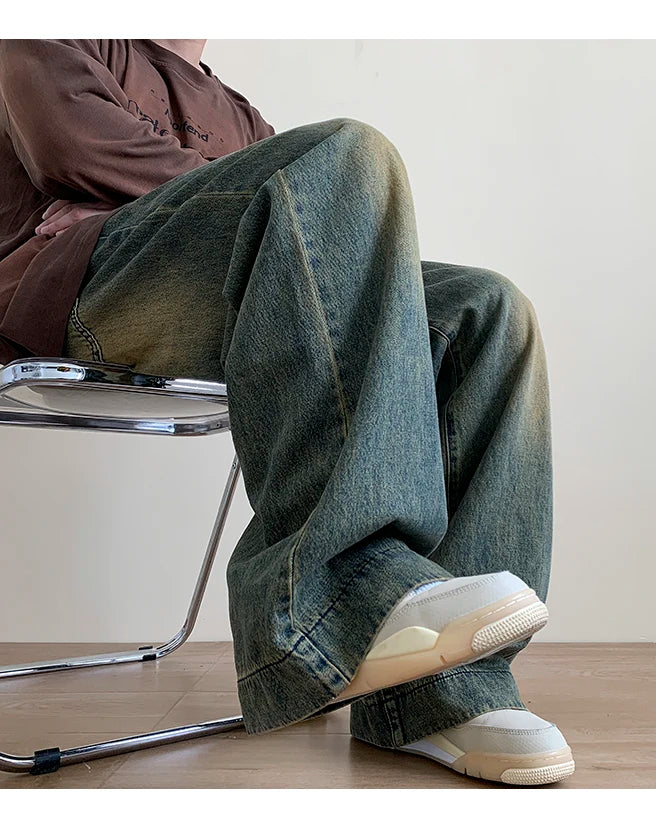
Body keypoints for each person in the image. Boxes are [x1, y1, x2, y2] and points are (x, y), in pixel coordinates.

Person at [0, 39, 574, 785]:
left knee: (483, 310)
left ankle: (440, 697)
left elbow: (309, 227)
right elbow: (69, 150)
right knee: (344, 155)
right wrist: (275, 192)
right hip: (83, 285)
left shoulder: (237, 111)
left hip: (231, 310)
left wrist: (280, 196)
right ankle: (342, 598)